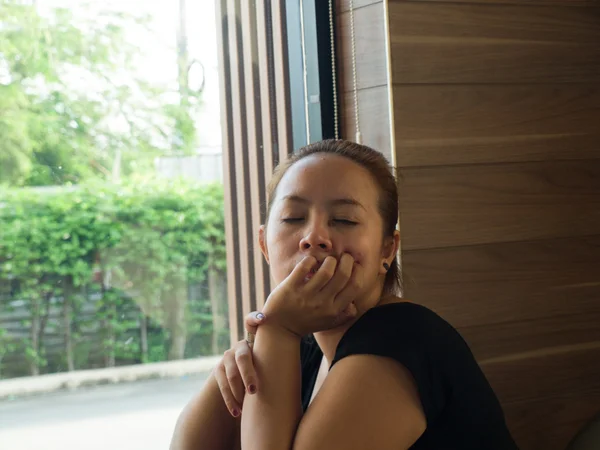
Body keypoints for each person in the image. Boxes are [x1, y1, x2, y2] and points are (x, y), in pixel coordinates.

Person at [170, 140, 520, 450]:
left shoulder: (403, 340)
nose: (314, 236)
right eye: (293, 218)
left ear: (387, 248)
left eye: (344, 220)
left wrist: (277, 329)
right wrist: (256, 346)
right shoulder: (302, 350)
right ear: (264, 244)